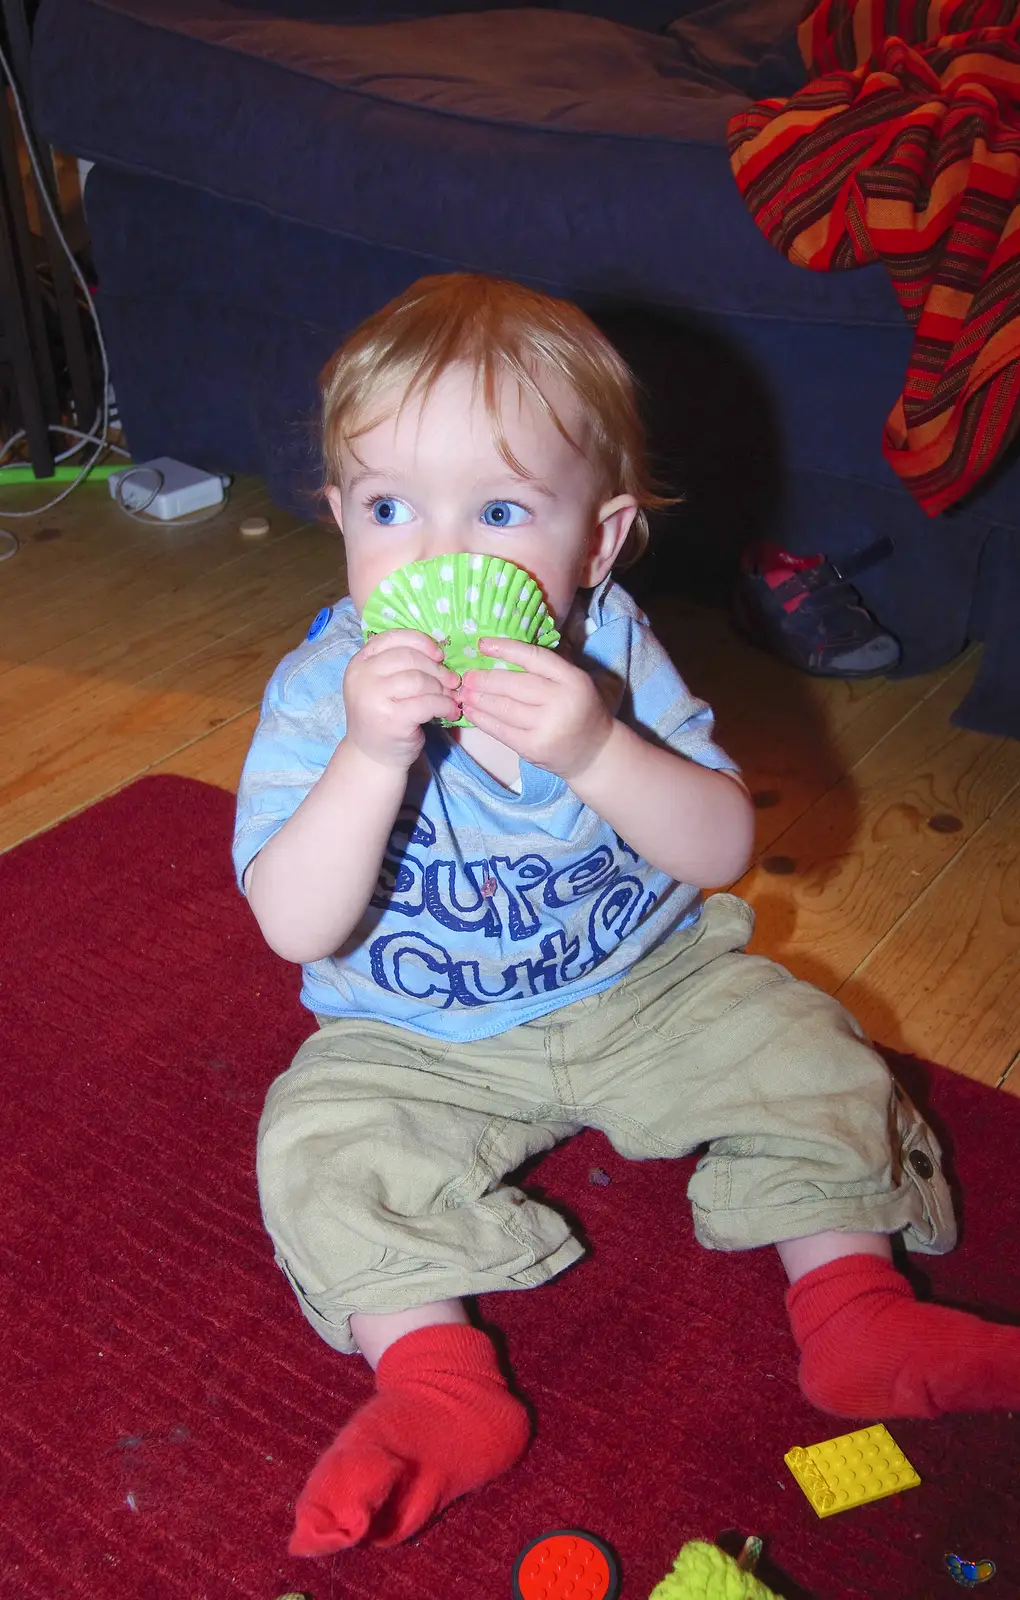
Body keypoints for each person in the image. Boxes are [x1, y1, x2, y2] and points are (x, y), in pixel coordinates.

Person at [233, 273, 1020, 1558]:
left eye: (497, 511)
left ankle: (854, 1305)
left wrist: (599, 748)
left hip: (643, 983)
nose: (437, 559)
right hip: (416, 1032)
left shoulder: (610, 652)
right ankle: (436, 1382)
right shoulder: (329, 690)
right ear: (338, 520)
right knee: (316, 1143)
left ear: (595, 545)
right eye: (389, 509)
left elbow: (720, 844)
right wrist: (369, 761)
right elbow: (293, 925)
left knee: (809, 1049)